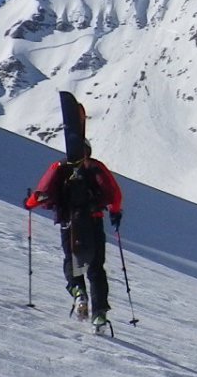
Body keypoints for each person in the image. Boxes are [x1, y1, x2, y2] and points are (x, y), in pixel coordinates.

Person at [25, 141, 124, 328]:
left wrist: (29, 204)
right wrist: (115, 212)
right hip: (93, 221)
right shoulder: (95, 166)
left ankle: (79, 292)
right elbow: (114, 193)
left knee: (73, 259)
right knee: (96, 268)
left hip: (69, 222)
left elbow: (42, 193)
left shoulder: (60, 166)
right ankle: (99, 316)